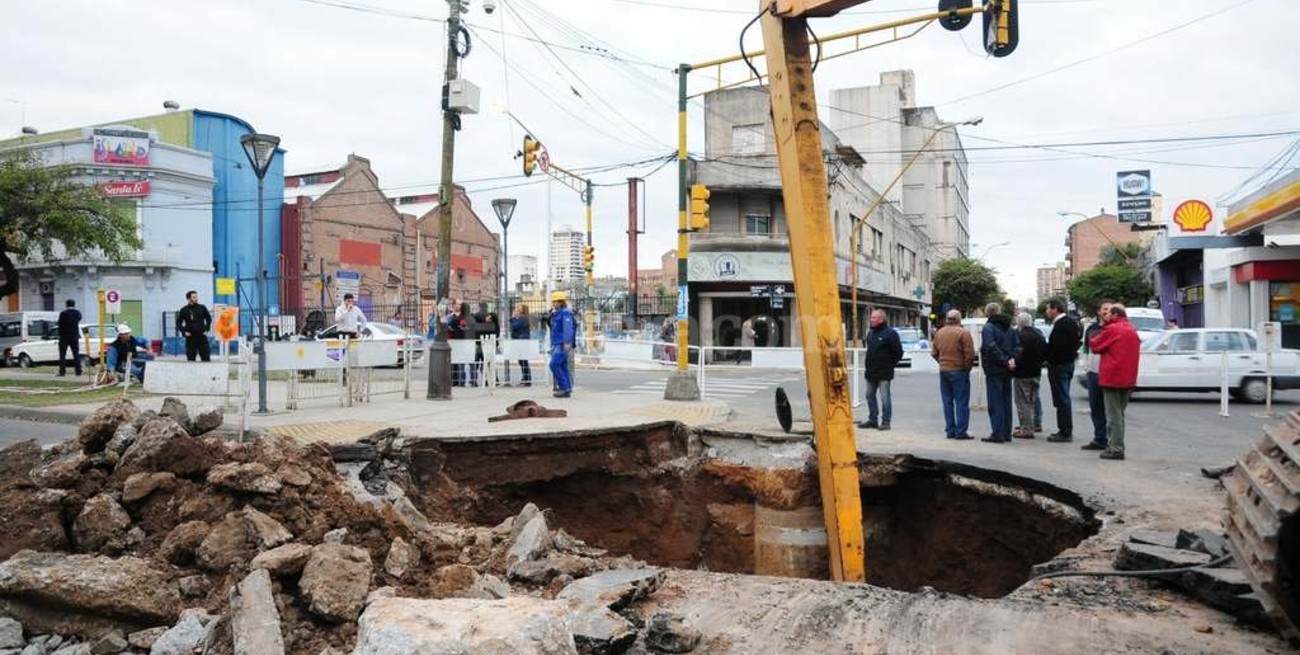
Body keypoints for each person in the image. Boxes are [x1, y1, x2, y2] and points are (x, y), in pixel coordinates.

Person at [1089, 302, 1140, 460]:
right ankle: (1118, 444)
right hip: (1128, 377)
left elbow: (1095, 345)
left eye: (1109, 313)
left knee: (1113, 415)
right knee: (1120, 414)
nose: (1106, 316)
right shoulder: (1132, 329)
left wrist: (1100, 329)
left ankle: (1115, 448)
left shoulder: (1112, 329)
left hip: (1112, 377)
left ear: (1116, 315)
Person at [980, 302, 1021, 443]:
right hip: (1007, 369)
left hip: (994, 368)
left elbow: (990, 347)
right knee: (1006, 401)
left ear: (987, 313)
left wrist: (1004, 360)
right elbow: (1018, 346)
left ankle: (997, 433)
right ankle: (1006, 433)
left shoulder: (988, 327)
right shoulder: (1010, 327)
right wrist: (1012, 360)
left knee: (995, 402)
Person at [931, 309, 975, 440]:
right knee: (961, 401)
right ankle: (961, 431)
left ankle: (950, 430)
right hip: (959, 371)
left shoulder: (939, 333)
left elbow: (934, 353)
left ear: (947, 319)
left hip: (944, 371)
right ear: (959, 319)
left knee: (947, 401)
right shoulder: (963, 333)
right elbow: (970, 355)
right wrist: (966, 369)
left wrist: (942, 362)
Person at [1043, 297, 1082, 442]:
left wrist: (1047, 356)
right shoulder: (1071, 323)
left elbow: (1057, 348)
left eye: (1048, 308)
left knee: (1062, 399)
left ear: (1055, 309)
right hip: (1067, 364)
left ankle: (1065, 431)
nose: (1047, 311)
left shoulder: (1061, 325)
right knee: (1062, 398)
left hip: (1059, 366)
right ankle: (1064, 429)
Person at [858, 309, 903, 430]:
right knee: (869, 395)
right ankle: (873, 420)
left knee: (885, 398)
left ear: (881, 319)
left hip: (884, 372)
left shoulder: (890, 333)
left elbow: (898, 352)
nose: (871, 320)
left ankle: (886, 422)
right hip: (871, 372)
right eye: (871, 317)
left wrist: (890, 364)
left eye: (874, 318)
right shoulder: (871, 334)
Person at [1080, 299, 1115, 451]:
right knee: (1095, 407)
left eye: (1110, 309)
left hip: (1110, 373)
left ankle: (1113, 441)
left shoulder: (1115, 328)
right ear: (1099, 311)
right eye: (1104, 309)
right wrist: (1086, 367)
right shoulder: (1091, 329)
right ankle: (1100, 438)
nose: (1106, 311)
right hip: (1093, 373)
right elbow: (1086, 349)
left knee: (1111, 410)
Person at [1012, 312, 1045, 439]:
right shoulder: (1038, 334)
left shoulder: (1020, 336)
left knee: (1023, 402)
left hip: (1023, 373)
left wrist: (1015, 365)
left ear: (1019, 322)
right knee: (1032, 399)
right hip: (1036, 371)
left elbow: (1018, 354)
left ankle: (1026, 429)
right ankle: (1033, 423)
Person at [549, 291, 576, 398]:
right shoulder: (558, 313)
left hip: (562, 344)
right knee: (563, 366)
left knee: (554, 364)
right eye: (553, 301)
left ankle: (564, 387)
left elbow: (568, 329)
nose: (553, 303)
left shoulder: (565, 313)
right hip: (558, 343)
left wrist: (567, 342)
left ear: (561, 302)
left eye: (555, 301)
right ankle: (567, 388)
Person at [176, 290, 213, 362]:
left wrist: (207, 329)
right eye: (194, 297)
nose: (196, 298)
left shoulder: (202, 308)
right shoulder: (184, 310)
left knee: (206, 358)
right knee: (191, 358)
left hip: (201, 336)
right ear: (189, 298)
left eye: (196, 297)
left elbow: (209, 319)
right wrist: (184, 332)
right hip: (190, 337)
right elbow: (178, 323)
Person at [56, 299, 82, 377]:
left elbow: (59, 323)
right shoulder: (77, 313)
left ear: (66, 305)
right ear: (74, 305)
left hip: (64, 336)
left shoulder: (63, 313)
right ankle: (78, 371)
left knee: (62, 355)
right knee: (76, 354)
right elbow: (79, 319)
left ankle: (62, 372)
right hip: (74, 336)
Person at [510, 304, 532, 387]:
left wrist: (512, 318)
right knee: (522, 361)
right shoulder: (520, 318)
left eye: (518, 308)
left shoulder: (523, 318)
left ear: (522, 310)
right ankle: (525, 379)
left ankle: (527, 380)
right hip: (519, 340)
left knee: (523, 361)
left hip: (522, 340)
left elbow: (516, 326)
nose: (516, 309)